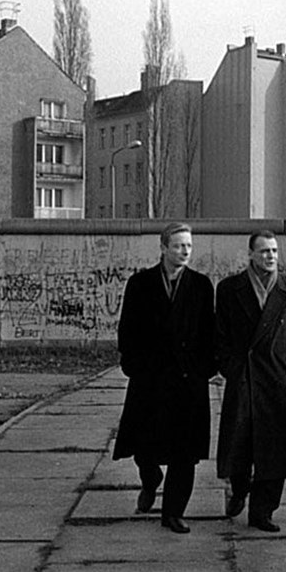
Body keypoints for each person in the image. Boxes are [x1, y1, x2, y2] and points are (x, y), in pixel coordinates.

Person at [112, 223, 216, 534]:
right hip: (150, 380)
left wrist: (204, 369)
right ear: (163, 248)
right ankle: (150, 479)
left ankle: (173, 513)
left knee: (185, 454)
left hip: (187, 383)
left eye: (188, 246)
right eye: (178, 246)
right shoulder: (141, 284)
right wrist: (133, 365)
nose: (185, 251)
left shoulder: (200, 286)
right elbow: (127, 329)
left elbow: (208, 333)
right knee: (144, 447)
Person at [215, 229, 286, 532]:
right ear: (251, 255)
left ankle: (263, 512)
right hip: (244, 377)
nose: (270, 257)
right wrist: (231, 367)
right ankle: (238, 489)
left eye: (274, 251)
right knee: (240, 445)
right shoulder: (230, 289)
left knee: (277, 450)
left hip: (277, 380)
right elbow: (220, 335)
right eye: (264, 252)